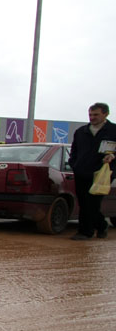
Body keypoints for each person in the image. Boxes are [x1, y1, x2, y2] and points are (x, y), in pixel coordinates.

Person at [68, 102, 116, 240]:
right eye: (90, 114)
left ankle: (86, 231)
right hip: (82, 171)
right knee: (83, 202)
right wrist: (74, 164)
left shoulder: (113, 131)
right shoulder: (81, 131)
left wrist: (113, 156)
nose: (92, 117)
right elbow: (74, 151)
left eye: (96, 114)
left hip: (103, 172)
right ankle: (99, 226)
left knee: (93, 201)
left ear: (105, 114)